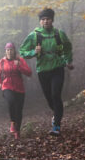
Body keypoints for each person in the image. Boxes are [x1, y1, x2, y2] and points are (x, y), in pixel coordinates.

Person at [19, 7, 73, 136]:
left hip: (57, 68)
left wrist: (68, 60)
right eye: (43, 19)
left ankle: (57, 126)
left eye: (48, 19)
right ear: (40, 22)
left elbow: (68, 47)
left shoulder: (59, 34)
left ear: (52, 20)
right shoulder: (34, 35)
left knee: (55, 94)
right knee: (49, 99)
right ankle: (57, 114)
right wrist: (33, 52)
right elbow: (22, 52)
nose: (45, 21)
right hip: (43, 70)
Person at [0, 42, 32, 139]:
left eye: (11, 49)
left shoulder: (20, 60)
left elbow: (29, 73)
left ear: (14, 50)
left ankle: (17, 132)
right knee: (10, 101)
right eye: (8, 49)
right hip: (7, 86)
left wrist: (19, 65)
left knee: (19, 110)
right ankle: (12, 122)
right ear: (5, 51)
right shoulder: (1, 62)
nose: (9, 51)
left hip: (19, 88)